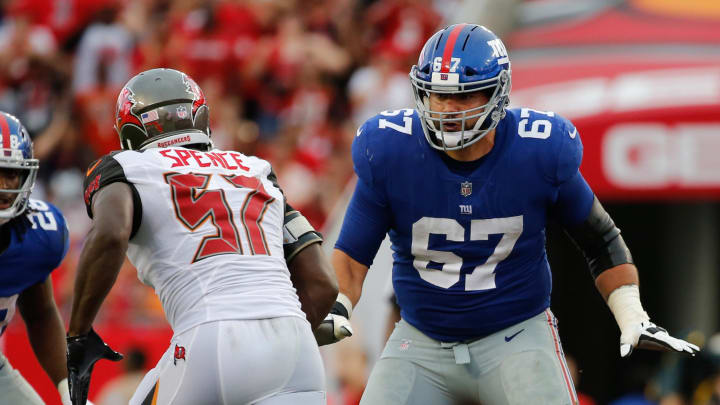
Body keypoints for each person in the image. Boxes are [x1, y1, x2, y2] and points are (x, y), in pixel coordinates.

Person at [317, 24, 699, 405]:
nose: (447, 109)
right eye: (437, 95)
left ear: (497, 94)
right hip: (420, 340)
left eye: (464, 96)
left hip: (516, 335)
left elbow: (599, 239)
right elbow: (353, 253)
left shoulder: (538, 151)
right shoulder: (389, 151)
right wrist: (338, 306)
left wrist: (631, 312)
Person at [65, 68, 338, 405]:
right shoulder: (255, 169)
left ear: (131, 132)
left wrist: (78, 333)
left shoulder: (128, 166)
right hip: (297, 347)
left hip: (213, 335)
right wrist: (279, 340)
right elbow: (323, 284)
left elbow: (109, 234)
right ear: (201, 117)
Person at [0, 112, 74, 405]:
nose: (5, 186)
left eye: (12, 173)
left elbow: (40, 312)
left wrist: (68, 386)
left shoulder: (36, 236)